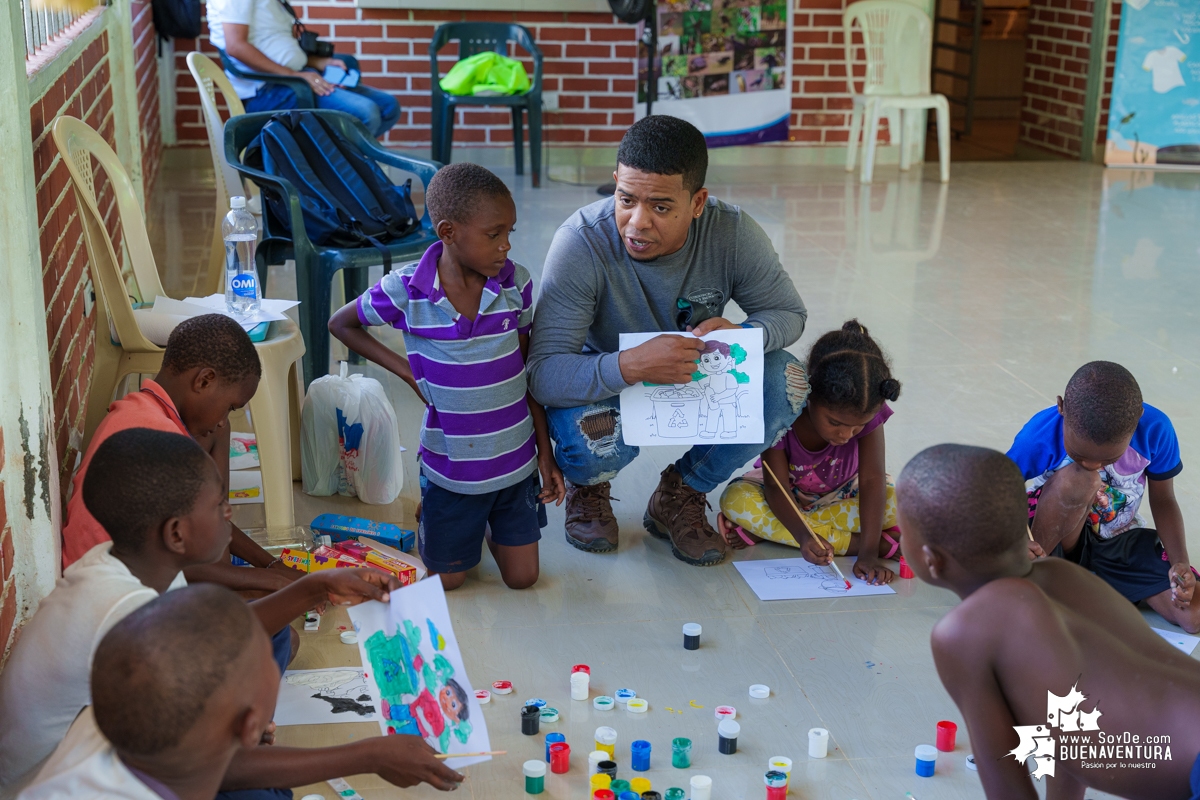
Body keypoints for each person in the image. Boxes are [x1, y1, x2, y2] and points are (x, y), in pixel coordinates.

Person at [0, 429, 463, 796]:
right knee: (265, 792)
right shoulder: (124, 608)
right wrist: (368, 756)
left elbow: (222, 635)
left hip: (118, 743)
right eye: (221, 507)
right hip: (82, 769)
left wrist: (314, 586)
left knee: (275, 636)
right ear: (177, 533)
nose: (230, 516)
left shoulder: (132, 560)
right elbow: (199, 767)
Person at [526, 115, 808, 567]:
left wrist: (747, 334)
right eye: (625, 199)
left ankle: (681, 492)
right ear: (615, 181)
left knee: (788, 380)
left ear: (697, 202)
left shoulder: (732, 232)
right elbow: (543, 374)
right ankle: (590, 485)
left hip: (696, 373)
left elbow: (788, 314)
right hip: (609, 384)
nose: (636, 223)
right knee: (593, 442)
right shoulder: (580, 243)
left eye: (660, 207)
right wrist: (629, 366)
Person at [896, 443, 1200, 800]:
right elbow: (1064, 727)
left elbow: (1009, 789)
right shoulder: (1062, 574)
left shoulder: (962, 633)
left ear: (931, 560)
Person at [329, 162, 565, 591]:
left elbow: (529, 375)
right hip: (452, 470)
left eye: (510, 232)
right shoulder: (406, 290)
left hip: (514, 465)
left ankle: (491, 526)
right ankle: (433, 517)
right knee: (449, 582)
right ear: (448, 232)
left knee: (523, 579)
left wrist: (545, 454)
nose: (506, 246)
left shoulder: (517, 287)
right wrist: (407, 372)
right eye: (494, 235)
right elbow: (341, 324)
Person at [61, 314, 296, 594]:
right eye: (231, 406)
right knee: (280, 635)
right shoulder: (162, 442)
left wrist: (269, 566)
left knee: (263, 608)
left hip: (124, 578)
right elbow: (168, 563)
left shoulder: (141, 409)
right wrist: (269, 580)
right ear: (205, 380)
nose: (223, 420)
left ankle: (225, 581)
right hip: (114, 597)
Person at [1007, 361, 1199, 632]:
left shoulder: (1156, 430)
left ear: (1137, 420)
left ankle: (1084, 585)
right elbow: (1000, 485)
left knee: (1193, 614)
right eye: (1080, 455)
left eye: (1109, 458)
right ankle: (1028, 578)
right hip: (1052, 536)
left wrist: (1179, 562)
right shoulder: (1041, 432)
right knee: (1081, 481)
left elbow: (1165, 499)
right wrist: (1015, 540)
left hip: (1117, 540)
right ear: (1062, 408)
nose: (1094, 466)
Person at [716, 320, 902, 584]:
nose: (845, 435)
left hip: (845, 492)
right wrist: (804, 537)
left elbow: (872, 480)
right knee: (735, 500)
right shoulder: (783, 411)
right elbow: (776, 487)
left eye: (856, 427)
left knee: (902, 504)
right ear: (809, 396)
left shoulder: (868, 414)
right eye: (835, 423)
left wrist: (869, 555)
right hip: (786, 494)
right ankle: (866, 542)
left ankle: (773, 530)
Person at [206, 0, 400, 138]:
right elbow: (236, 46)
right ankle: (332, 179)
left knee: (388, 107)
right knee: (366, 113)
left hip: (295, 77)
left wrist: (316, 63)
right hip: (269, 90)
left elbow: (273, 41)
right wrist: (296, 75)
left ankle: (334, 172)